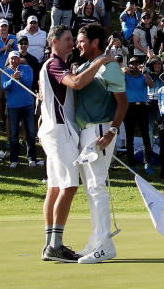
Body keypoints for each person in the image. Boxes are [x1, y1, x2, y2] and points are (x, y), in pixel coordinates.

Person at [39, 25, 118, 263]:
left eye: (74, 39)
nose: (72, 43)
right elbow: (76, 83)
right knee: (69, 186)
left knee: (54, 187)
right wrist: (101, 61)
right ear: (54, 42)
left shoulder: (57, 65)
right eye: (67, 40)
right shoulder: (54, 64)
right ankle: (55, 245)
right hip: (61, 132)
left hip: (56, 131)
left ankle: (50, 244)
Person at [73, 21, 130, 264]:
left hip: (101, 131)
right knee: (90, 189)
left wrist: (112, 131)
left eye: (82, 41)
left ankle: (105, 244)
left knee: (96, 186)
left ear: (95, 42)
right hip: (85, 131)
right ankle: (96, 241)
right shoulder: (86, 66)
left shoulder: (109, 67)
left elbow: (123, 102)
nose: (78, 45)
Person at [0, 50, 37, 168]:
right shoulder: (5, 72)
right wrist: (12, 79)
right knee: (14, 134)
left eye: (16, 58)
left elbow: (29, 83)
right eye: (12, 58)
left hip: (27, 105)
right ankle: (14, 159)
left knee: (30, 133)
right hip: (13, 106)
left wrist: (20, 77)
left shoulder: (27, 69)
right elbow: (4, 87)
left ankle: (31, 158)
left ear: (19, 59)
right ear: (9, 60)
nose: (14, 60)